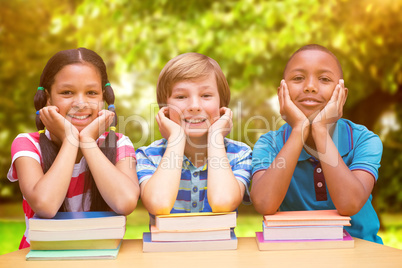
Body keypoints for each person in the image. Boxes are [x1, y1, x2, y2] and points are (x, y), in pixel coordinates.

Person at [7, 48, 140, 249]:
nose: (80, 103)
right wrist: (70, 140)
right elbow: (46, 205)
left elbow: (125, 202)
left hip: (103, 257)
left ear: (103, 99)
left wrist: (87, 141)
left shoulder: (120, 144)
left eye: (91, 93)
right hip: (41, 259)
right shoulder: (27, 144)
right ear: (48, 99)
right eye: (67, 92)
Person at [250, 44, 383, 243]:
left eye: (324, 79)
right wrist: (298, 131)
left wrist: (320, 130)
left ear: (342, 95)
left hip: (360, 252)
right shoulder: (269, 144)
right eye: (298, 78)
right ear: (281, 93)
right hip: (293, 253)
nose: (310, 86)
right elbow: (264, 203)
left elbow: (349, 204)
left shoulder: (364, 140)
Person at [136, 52, 252, 219]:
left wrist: (215, 137)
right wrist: (176, 138)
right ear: (165, 109)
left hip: (220, 246)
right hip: (168, 246)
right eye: (181, 96)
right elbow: (158, 204)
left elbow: (223, 202)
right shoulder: (148, 156)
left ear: (222, 104)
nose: (195, 106)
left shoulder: (239, 154)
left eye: (206, 95)